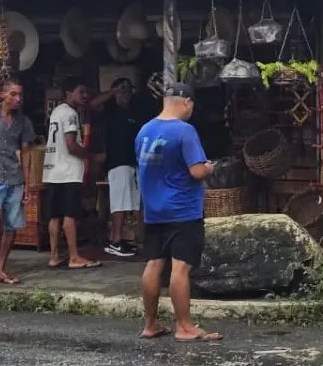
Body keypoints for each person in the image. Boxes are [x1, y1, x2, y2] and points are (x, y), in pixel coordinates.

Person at [136, 83, 220, 342]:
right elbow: (196, 171)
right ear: (187, 103)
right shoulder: (184, 131)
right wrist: (209, 168)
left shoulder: (144, 131)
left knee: (154, 263)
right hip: (183, 210)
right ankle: (184, 325)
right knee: (180, 267)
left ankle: (151, 323)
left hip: (153, 209)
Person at [43, 77, 98, 269]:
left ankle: (54, 256)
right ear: (69, 93)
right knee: (70, 214)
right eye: (80, 91)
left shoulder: (56, 112)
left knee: (55, 216)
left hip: (52, 170)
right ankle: (74, 256)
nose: (84, 96)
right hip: (68, 170)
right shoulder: (71, 114)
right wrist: (89, 156)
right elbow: (71, 144)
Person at [91, 78, 149, 257]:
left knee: (136, 202)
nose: (125, 93)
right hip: (117, 162)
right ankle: (115, 240)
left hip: (135, 161)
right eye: (121, 90)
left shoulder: (136, 109)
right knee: (120, 202)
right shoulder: (109, 109)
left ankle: (133, 238)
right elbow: (93, 104)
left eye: (127, 90)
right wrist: (114, 90)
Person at [0, 80, 36, 284]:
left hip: (14, 178)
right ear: (2, 95)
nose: (17, 99)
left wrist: (27, 183)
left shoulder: (23, 121)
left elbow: (26, 152)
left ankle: (0, 269)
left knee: (12, 226)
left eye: (19, 95)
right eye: (12, 94)